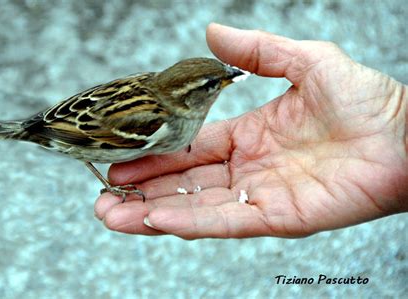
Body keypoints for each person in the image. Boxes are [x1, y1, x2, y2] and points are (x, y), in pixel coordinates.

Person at [94, 23, 407, 239]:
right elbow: (91, 133)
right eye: (212, 84)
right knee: (114, 171)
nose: (229, 79)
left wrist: (397, 126)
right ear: (188, 98)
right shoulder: (153, 119)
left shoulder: (164, 97)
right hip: (76, 136)